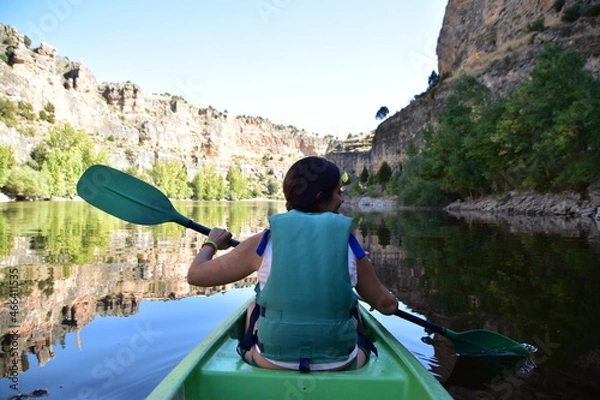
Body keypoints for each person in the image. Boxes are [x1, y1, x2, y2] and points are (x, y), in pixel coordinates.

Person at [187, 156, 399, 371]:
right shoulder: (349, 245)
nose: (342, 199)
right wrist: (388, 299)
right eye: (339, 192)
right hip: (339, 363)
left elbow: (196, 275)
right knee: (354, 311)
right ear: (320, 197)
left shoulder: (263, 242)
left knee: (254, 306)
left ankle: (258, 359)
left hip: (271, 361)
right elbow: (387, 306)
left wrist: (212, 242)